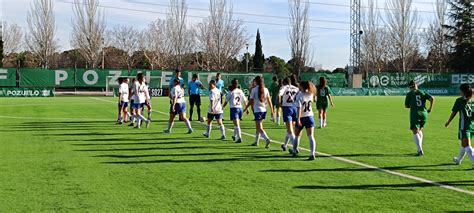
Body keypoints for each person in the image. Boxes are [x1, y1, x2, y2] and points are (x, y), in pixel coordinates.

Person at [444, 83, 474, 169]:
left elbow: (454, 112)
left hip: (464, 126)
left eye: (460, 91)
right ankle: (458, 159)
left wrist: (448, 121)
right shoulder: (472, 100)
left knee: (467, 145)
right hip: (472, 125)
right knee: (463, 144)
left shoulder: (459, 100)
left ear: (463, 92)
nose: (459, 92)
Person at [289, 81, 317, 160]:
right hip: (310, 116)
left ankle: (294, 150)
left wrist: (298, 119)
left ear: (302, 86)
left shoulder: (300, 95)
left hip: (302, 117)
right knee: (311, 136)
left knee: (297, 135)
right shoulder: (311, 94)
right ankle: (312, 153)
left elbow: (299, 108)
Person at [405, 80, 434, 156]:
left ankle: (420, 149)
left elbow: (406, 105)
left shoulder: (409, 94)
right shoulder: (422, 92)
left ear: (410, 87)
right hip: (424, 114)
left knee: (415, 131)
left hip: (415, 114)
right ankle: (419, 149)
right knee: (420, 130)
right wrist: (430, 108)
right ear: (416, 85)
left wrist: (412, 105)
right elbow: (432, 98)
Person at [244, 76, 274, 148]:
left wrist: (245, 108)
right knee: (258, 127)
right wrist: (272, 110)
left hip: (258, 110)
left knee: (259, 127)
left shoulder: (254, 90)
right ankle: (256, 141)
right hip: (264, 110)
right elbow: (269, 100)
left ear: (256, 82)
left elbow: (250, 101)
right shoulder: (266, 89)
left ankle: (267, 139)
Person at [223, 79, 247, 143]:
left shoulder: (231, 92)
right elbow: (245, 100)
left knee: (237, 125)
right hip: (240, 109)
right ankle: (234, 135)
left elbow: (226, 101)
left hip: (234, 109)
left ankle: (239, 138)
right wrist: (247, 108)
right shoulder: (240, 91)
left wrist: (222, 107)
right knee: (236, 124)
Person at [279, 77, 299, 151]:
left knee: (290, 130)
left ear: (284, 83)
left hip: (287, 108)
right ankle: (285, 145)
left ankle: (295, 148)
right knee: (289, 129)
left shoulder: (284, 87)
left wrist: (279, 102)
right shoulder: (296, 88)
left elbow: (280, 94)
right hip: (295, 108)